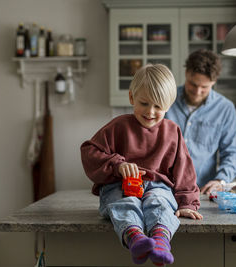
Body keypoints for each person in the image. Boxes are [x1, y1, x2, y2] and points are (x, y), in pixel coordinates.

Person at [80, 64, 202, 266]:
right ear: (131, 98)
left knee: (160, 202)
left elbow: (184, 171)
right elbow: (89, 152)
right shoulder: (118, 126)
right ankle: (135, 239)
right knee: (125, 204)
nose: (150, 112)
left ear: (169, 105)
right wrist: (117, 165)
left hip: (157, 186)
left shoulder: (173, 131)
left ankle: (161, 241)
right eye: (144, 103)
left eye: (158, 107)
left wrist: (188, 203)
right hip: (120, 186)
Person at [165, 49, 236, 195]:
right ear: (186, 73)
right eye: (193, 84)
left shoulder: (225, 109)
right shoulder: (166, 100)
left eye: (205, 87)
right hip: (164, 188)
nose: (198, 91)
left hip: (201, 191)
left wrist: (221, 180)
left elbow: (232, 154)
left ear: (214, 82)